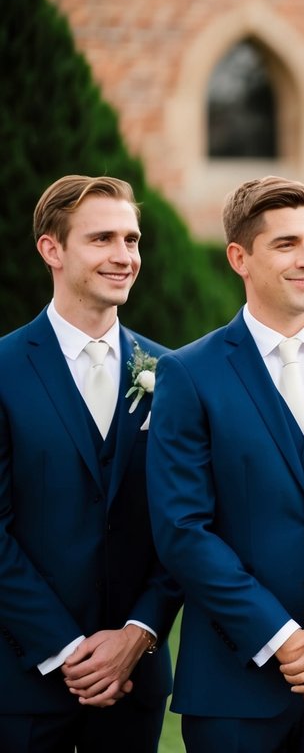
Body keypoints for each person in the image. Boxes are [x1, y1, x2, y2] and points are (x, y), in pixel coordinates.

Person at [146, 176, 304, 752]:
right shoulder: (189, 375)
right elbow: (183, 529)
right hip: (233, 680)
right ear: (240, 257)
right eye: (287, 244)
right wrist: (280, 637)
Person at [0, 175, 180, 751]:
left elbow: (185, 523)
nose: (124, 256)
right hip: (23, 678)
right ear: (52, 249)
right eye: (102, 239)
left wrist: (140, 631)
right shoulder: (3, 369)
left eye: (132, 239)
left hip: (136, 679)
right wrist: (65, 648)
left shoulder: (175, 375)